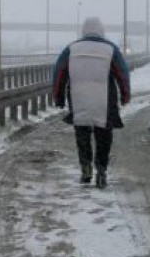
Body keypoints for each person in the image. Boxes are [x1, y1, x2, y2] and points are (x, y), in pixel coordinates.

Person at [51, 17, 131, 188]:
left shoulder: (71, 49)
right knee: (103, 136)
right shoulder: (110, 49)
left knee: (82, 134)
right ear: (101, 31)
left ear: (84, 31)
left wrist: (58, 98)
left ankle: (85, 168)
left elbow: (59, 73)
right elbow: (122, 74)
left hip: (78, 98)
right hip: (105, 100)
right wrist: (125, 95)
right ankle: (101, 171)